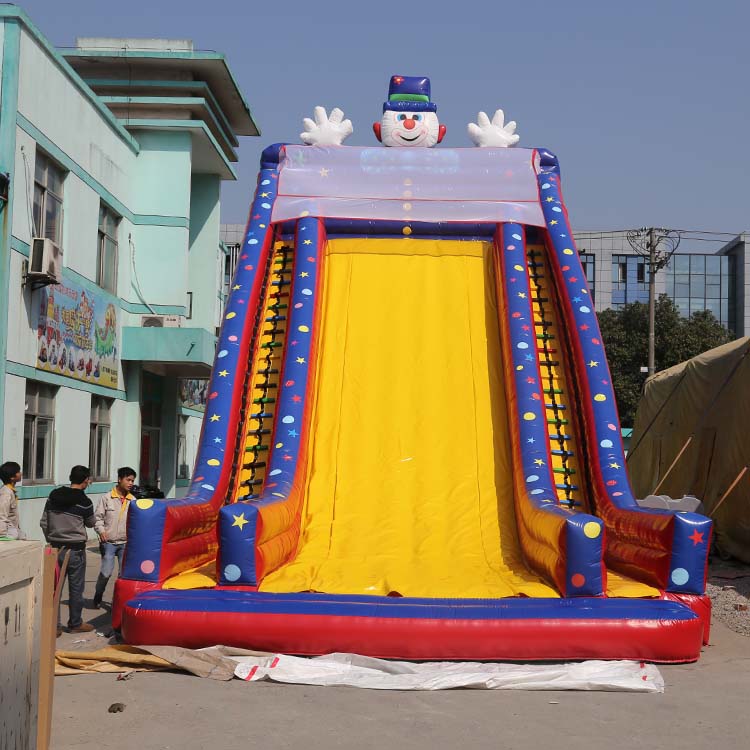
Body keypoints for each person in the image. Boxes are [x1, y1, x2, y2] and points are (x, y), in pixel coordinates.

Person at [40, 465, 95, 635]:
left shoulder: (53, 496)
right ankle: (75, 624)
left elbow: (44, 522)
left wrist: (51, 538)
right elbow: (91, 523)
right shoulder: (85, 502)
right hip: (75, 550)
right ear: (85, 480)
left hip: (54, 549)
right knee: (76, 589)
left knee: (54, 589)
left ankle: (54, 627)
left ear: (71, 478)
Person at [93, 466, 136, 607]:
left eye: (132, 480)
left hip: (125, 543)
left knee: (122, 576)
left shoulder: (133, 500)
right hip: (108, 542)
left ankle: (116, 602)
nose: (131, 483)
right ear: (119, 479)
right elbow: (97, 518)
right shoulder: (107, 498)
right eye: (128, 480)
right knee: (106, 573)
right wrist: (101, 531)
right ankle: (98, 594)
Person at [0, 461, 23, 539]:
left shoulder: (11, 491)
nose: (21, 473)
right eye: (18, 472)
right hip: (7, 532)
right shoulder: (6, 493)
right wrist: (2, 535)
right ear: (12, 477)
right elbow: (2, 515)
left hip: (13, 529)